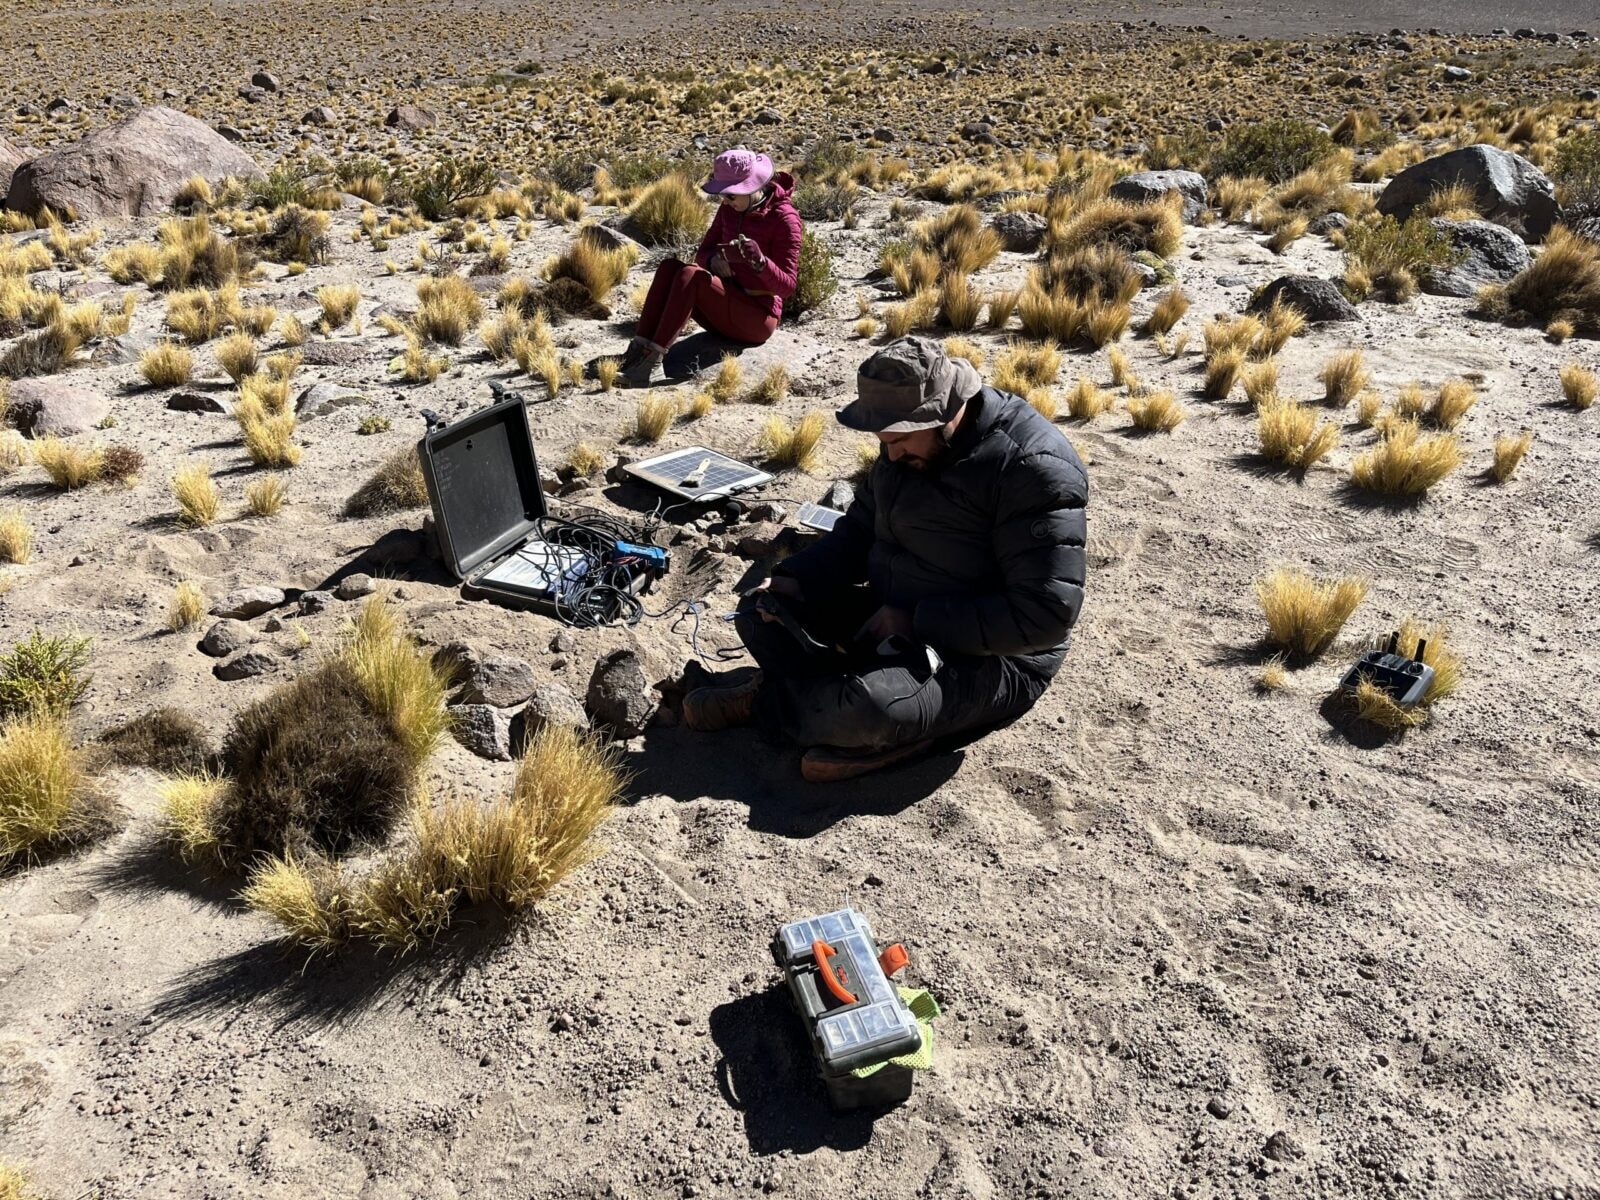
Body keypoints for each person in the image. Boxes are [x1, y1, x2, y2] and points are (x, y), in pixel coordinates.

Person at [681, 336, 1089, 783]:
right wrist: (798, 580)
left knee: (873, 709)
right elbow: (859, 530)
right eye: (884, 440)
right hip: (891, 612)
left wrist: (917, 621)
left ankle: (780, 706)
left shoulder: (1032, 468)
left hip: (993, 656)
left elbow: (1045, 616)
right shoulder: (909, 442)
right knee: (762, 613)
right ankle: (839, 710)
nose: (890, 454)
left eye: (900, 439)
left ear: (944, 413)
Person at [618, 147, 802, 387]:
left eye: (731, 195)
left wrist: (760, 263)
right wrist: (714, 260)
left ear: (753, 186)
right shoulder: (728, 210)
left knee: (691, 276)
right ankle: (637, 352)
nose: (724, 201)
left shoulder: (784, 220)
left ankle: (652, 364)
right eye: (722, 195)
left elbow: (787, 287)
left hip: (758, 317)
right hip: (725, 303)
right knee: (669, 267)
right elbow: (702, 253)